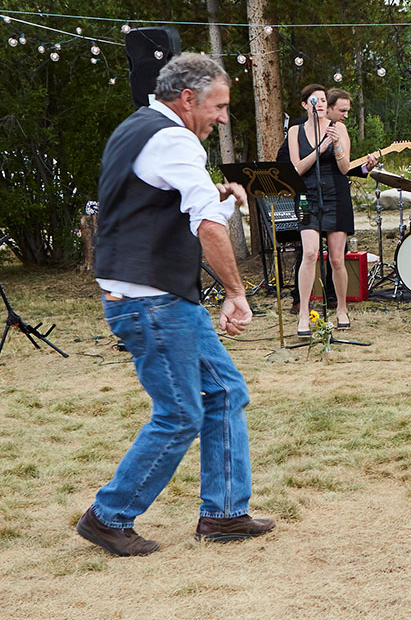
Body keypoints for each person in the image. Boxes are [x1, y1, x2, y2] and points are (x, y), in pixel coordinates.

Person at [77, 52, 275, 556]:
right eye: (218, 106)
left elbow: (160, 204)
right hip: (152, 301)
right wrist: (236, 292)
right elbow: (205, 225)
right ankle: (109, 516)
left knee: (225, 391)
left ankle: (224, 513)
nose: (223, 118)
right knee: (180, 413)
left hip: (154, 297)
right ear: (188, 99)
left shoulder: (138, 128)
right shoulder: (174, 139)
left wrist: (220, 199)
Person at [287, 84, 358, 333]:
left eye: (323, 100)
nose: (319, 104)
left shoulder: (338, 127)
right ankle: (304, 313)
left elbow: (345, 167)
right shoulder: (295, 131)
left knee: (337, 258)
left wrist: (336, 144)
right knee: (309, 253)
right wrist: (321, 147)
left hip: (336, 195)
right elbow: (297, 168)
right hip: (307, 197)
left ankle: (341, 309)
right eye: (314, 100)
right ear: (305, 105)